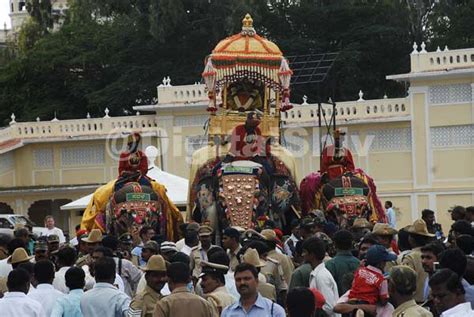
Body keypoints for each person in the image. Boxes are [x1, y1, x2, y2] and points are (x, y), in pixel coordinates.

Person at [221, 262, 286, 317]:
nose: (242, 282)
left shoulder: (274, 311)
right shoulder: (227, 312)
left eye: (247, 278)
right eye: (238, 280)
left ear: (256, 281)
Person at [303, 236, 340, 317]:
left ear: (312, 254)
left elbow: (329, 307)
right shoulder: (317, 274)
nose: (303, 255)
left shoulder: (321, 276)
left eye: (305, 252)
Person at [400, 219, 435, 303]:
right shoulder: (433, 255)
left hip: (415, 303)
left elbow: (405, 284)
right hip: (431, 302)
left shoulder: (410, 258)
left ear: (411, 239)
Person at [325, 230, 360, 296]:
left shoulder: (330, 264)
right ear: (351, 244)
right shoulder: (359, 263)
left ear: (335, 244)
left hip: (337, 302)